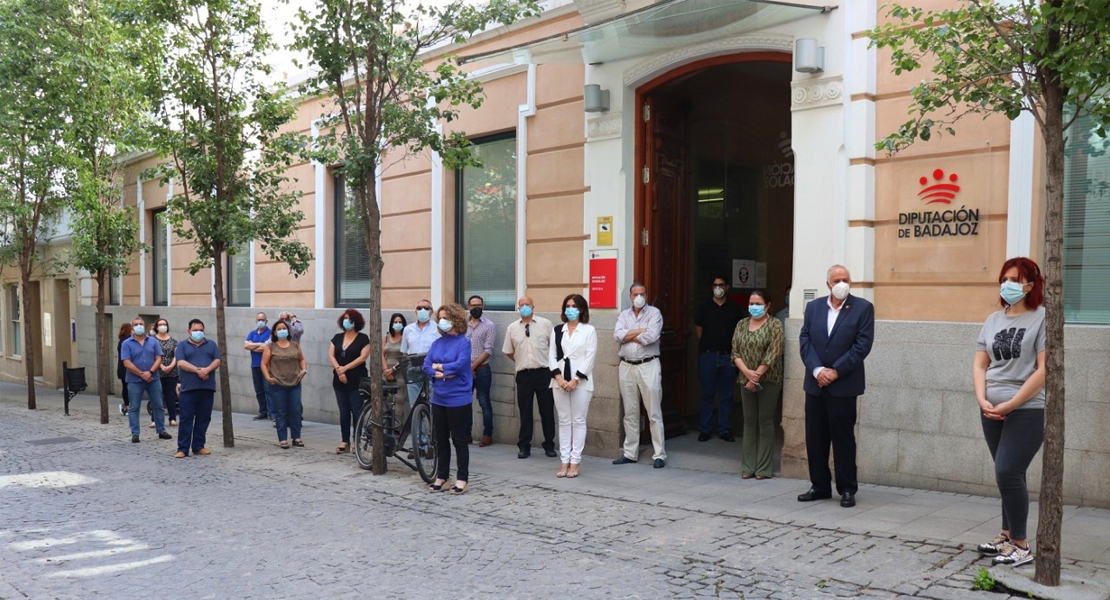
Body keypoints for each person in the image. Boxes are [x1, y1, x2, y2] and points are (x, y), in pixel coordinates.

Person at [973, 257, 1046, 568]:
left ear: (1030, 284)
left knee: (1008, 471)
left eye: (1015, 279)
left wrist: (1013, 402)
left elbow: (1045, 369)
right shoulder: (992, 320)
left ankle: (1020, 544)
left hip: (1027, 408)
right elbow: (980, 363)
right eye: (1005, 278)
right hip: (991, 408)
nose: (1008, 284)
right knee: (1007, 476)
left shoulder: (1042, 318)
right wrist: (982, 399)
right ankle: (1006, 534)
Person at [798, 265, 874, 508]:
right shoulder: (814, 307)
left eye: (846, 279)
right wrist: (818, 370)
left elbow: (862, 346)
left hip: (843, 385)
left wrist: (835, 371)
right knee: (815, 437)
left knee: (843, 438)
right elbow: (805, 339)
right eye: (837, 279)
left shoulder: (862, 308)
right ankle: (819, 486)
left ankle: (847, 488)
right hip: (815, 384)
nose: (842, 283)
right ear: (828, 283)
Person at [731, 290, 785, 480]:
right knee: (749, 420)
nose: (754, 307)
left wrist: (757, 375)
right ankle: (748, 466)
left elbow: (774, 351)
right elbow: (735, 352)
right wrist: (747, 373)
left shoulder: (774, 324)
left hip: (769, 379)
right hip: (745, 378)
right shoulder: (742, 324)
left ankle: (763, 468)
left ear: (767, 305)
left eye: (758, 303)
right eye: (751, 303)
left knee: (765, 420)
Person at [613, 282, 667, 468]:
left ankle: (659, 454)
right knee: (630, 412)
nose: (639, 297)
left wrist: (629, 335)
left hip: (648, 365)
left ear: (646, 295)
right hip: (626, 366)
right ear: (630, 296)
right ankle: (630, 452)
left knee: (653, 411)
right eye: (635, 294)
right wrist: (638, 332)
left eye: (642, 293)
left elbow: (651, 337)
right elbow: (617, 335)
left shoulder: (655, 313)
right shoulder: (623, 315)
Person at [423, 304, 473, 495]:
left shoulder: (463, 342)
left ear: (455, 320)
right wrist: (441, 372)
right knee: (440, 440)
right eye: (440, 318)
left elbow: (460, 365)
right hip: (439, 398)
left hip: (458, 399)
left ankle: (462, 479)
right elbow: (427, 365)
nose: (441, 321)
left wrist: (440, 368)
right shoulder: (437, 343)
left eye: (445, 318)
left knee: (459, 440)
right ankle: (442, 477)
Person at [503, 297, 557, 459]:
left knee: (547, 410)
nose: (525, 307)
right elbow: (508, 351)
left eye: (528, 305)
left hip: (544, 373)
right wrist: (521, 360)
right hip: (524, 374)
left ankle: (549, 444)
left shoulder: (546, 324)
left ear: (534, 306)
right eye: (522, 305)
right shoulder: (512, 328)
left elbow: (554, 348)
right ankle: (524, 446)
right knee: (525, 411)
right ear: (518, 308)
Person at [549, 294, 597, 478]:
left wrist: (575, 380)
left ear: (582, 309)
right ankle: (564, 460)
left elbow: (589, 358)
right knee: (563, 420)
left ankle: (575, 461)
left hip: (581, 382)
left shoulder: (588, 330)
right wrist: (560, 379)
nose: (570, 309)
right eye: (567, 305)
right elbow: (551, 355)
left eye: (574, 306)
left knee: (578, 420)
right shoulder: (557, 330)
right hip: (558, 380)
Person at [694, 276, 743, 442]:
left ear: (727, 287)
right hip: (708, 356)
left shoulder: (735, 309)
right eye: (715, 285)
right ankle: (705, 429)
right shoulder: (704, 308)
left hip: (728, 357)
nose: (718, 288)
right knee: (707, 394)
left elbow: (739, 333)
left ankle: (724, 429)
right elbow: (699, 330)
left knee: (727, 396)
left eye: (721, 285)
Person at [174, 319, 221, 458]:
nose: (198, 332)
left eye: (201, 330)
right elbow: (181, 362)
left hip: (206, 388)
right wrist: (198, 371)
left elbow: (217, 360)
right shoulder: (182, 345)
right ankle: (183, 448)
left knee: (204, 418)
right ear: (189, 331)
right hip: (188, 388)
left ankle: (199, 446)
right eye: (195, 330)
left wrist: (207, 370)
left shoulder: (211, 344)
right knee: (186, 419)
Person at [120, 317, 171, 443]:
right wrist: (141, 373)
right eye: (136, 324)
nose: (139, 326)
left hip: (153, 378)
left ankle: (161, 430)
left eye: (141, 324)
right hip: (134, 380)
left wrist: (151, 372)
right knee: (134, 407)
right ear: (132, 328)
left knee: (158, 405)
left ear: (145, 325)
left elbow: (159, 358)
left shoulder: (153, 341)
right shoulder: (126, 343)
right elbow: (126, 362)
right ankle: (135, 433)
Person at [261, 319, 308, 449]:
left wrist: (303, 370)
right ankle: (282, 438)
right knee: (281, 411)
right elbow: (264, 364)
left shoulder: (295, 345)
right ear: (275, 332)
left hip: (295, 382)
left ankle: (296, 437)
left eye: (284, 328)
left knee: (296, 410)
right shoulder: (270, 347)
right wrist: (268, 378)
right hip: (277, 383)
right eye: (279, 329)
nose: (282, 331)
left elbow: (302, 359)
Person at [329, 309, 370, 454]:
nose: (347, 321)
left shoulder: (363, 338)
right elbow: (332, 355)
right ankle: (344, 440)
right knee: (344, 412)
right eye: (345, 318)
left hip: (356, 380)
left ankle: (356, 440)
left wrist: (345, 369)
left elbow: (362, 358)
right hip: (339, 380)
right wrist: (339, 370)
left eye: (350, 319)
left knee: (357, 411)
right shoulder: (337, 338)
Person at [466, 295, 496, 447]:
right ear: (468, 306)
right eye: (473, 305)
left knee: (484, 402)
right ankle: (467, 434)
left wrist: (472, 367)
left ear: (483, 307)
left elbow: (488, 349)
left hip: (482, 370)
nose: (476, 307)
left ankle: (487, 435)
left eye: (479, 305)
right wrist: (466, 368)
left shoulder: (489, 325)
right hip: (464, 371)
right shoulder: (462, 325)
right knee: (465, 402)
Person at [402, 299, 440, 403]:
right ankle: (418, 419)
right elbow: (404, 352)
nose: (422, 310)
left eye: (426, 308)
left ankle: (432, 419)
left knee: (433, 402)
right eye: (419, 308)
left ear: (431, 311)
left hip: (433, 367)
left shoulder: (438, 328)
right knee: (415, 404)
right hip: (413, 368)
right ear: (415, 311)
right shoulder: (408, 329)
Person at [244, 312, 272, 421]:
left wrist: (253, 346)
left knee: (268, 389)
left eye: (263, 319)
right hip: (255, 365)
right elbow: (246, 345)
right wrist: (260, 344)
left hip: (266, 366)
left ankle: (272, 413)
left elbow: (267, 346)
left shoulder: (270, 333)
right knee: (259, 390)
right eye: (259, 320)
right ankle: (263, 412)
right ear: (256, 321)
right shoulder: (252, 333)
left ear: (266, 321)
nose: (261, 322)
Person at [383, 312, 410, 426]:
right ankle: (386, 430)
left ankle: (396, 431)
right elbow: (382, 354)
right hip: (386, 373)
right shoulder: (386, 337)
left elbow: (406, 356)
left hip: (400, 373)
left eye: (400, 322)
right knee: (386, 403)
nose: (398, 324)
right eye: (395, 322)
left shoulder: (405, 338)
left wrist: (393, 369)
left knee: (398, 403)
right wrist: (386, 370)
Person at [153, 318, 179, 427]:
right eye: (160, 324)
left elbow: (176, 355)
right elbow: (152, 355)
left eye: (165, 324)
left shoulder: (173, 341)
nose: (163, 326)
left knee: (171, 396)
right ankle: (155, 419)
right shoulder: (152, 340)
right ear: (156, 326)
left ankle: (172, 418)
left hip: (172, 372)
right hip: (157, 371)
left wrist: (171, 366)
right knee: (157, 396)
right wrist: (162, 366)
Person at [117, 323, 133, 416]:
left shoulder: (123, 340)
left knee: (126, 387)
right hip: (125, 368)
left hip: (122, 367)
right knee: (126, 387)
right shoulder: (125, 341)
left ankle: (128, 405)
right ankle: (127, 406)